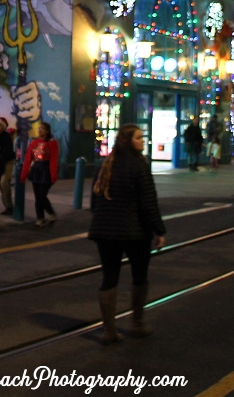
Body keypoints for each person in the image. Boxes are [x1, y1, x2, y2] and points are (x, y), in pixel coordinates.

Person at [88, 124, 166, 345]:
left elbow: (95, 202)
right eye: (139, 138)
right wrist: (159, 230)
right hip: (135, 232)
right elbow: (148, 203)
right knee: (139, 277)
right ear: (129, 141)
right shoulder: (139, 166)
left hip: (105, 232)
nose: (143, 141)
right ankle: (137, 323)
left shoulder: (104, 165)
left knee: (109, 277)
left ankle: (109, 330)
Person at [20, 121, 59, 228]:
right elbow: (28, 158)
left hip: (46, 170)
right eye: (39, 128)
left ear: (47, 131)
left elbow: (54, 160)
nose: (39, 130)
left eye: (42, 128)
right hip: (37, 170)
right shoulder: (34, 142)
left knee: (42, 195)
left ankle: (51, 213)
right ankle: (40, 218)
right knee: (37, 196)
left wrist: (53, 174)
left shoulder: (52, 143)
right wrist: (24, 174)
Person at [0, 117, 15, 215]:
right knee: (0, 185)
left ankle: (9, 206)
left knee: (4, 182)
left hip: (7, 161)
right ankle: (8, 206)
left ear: (3, 127)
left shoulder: (7, 137)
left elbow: (6, 153)